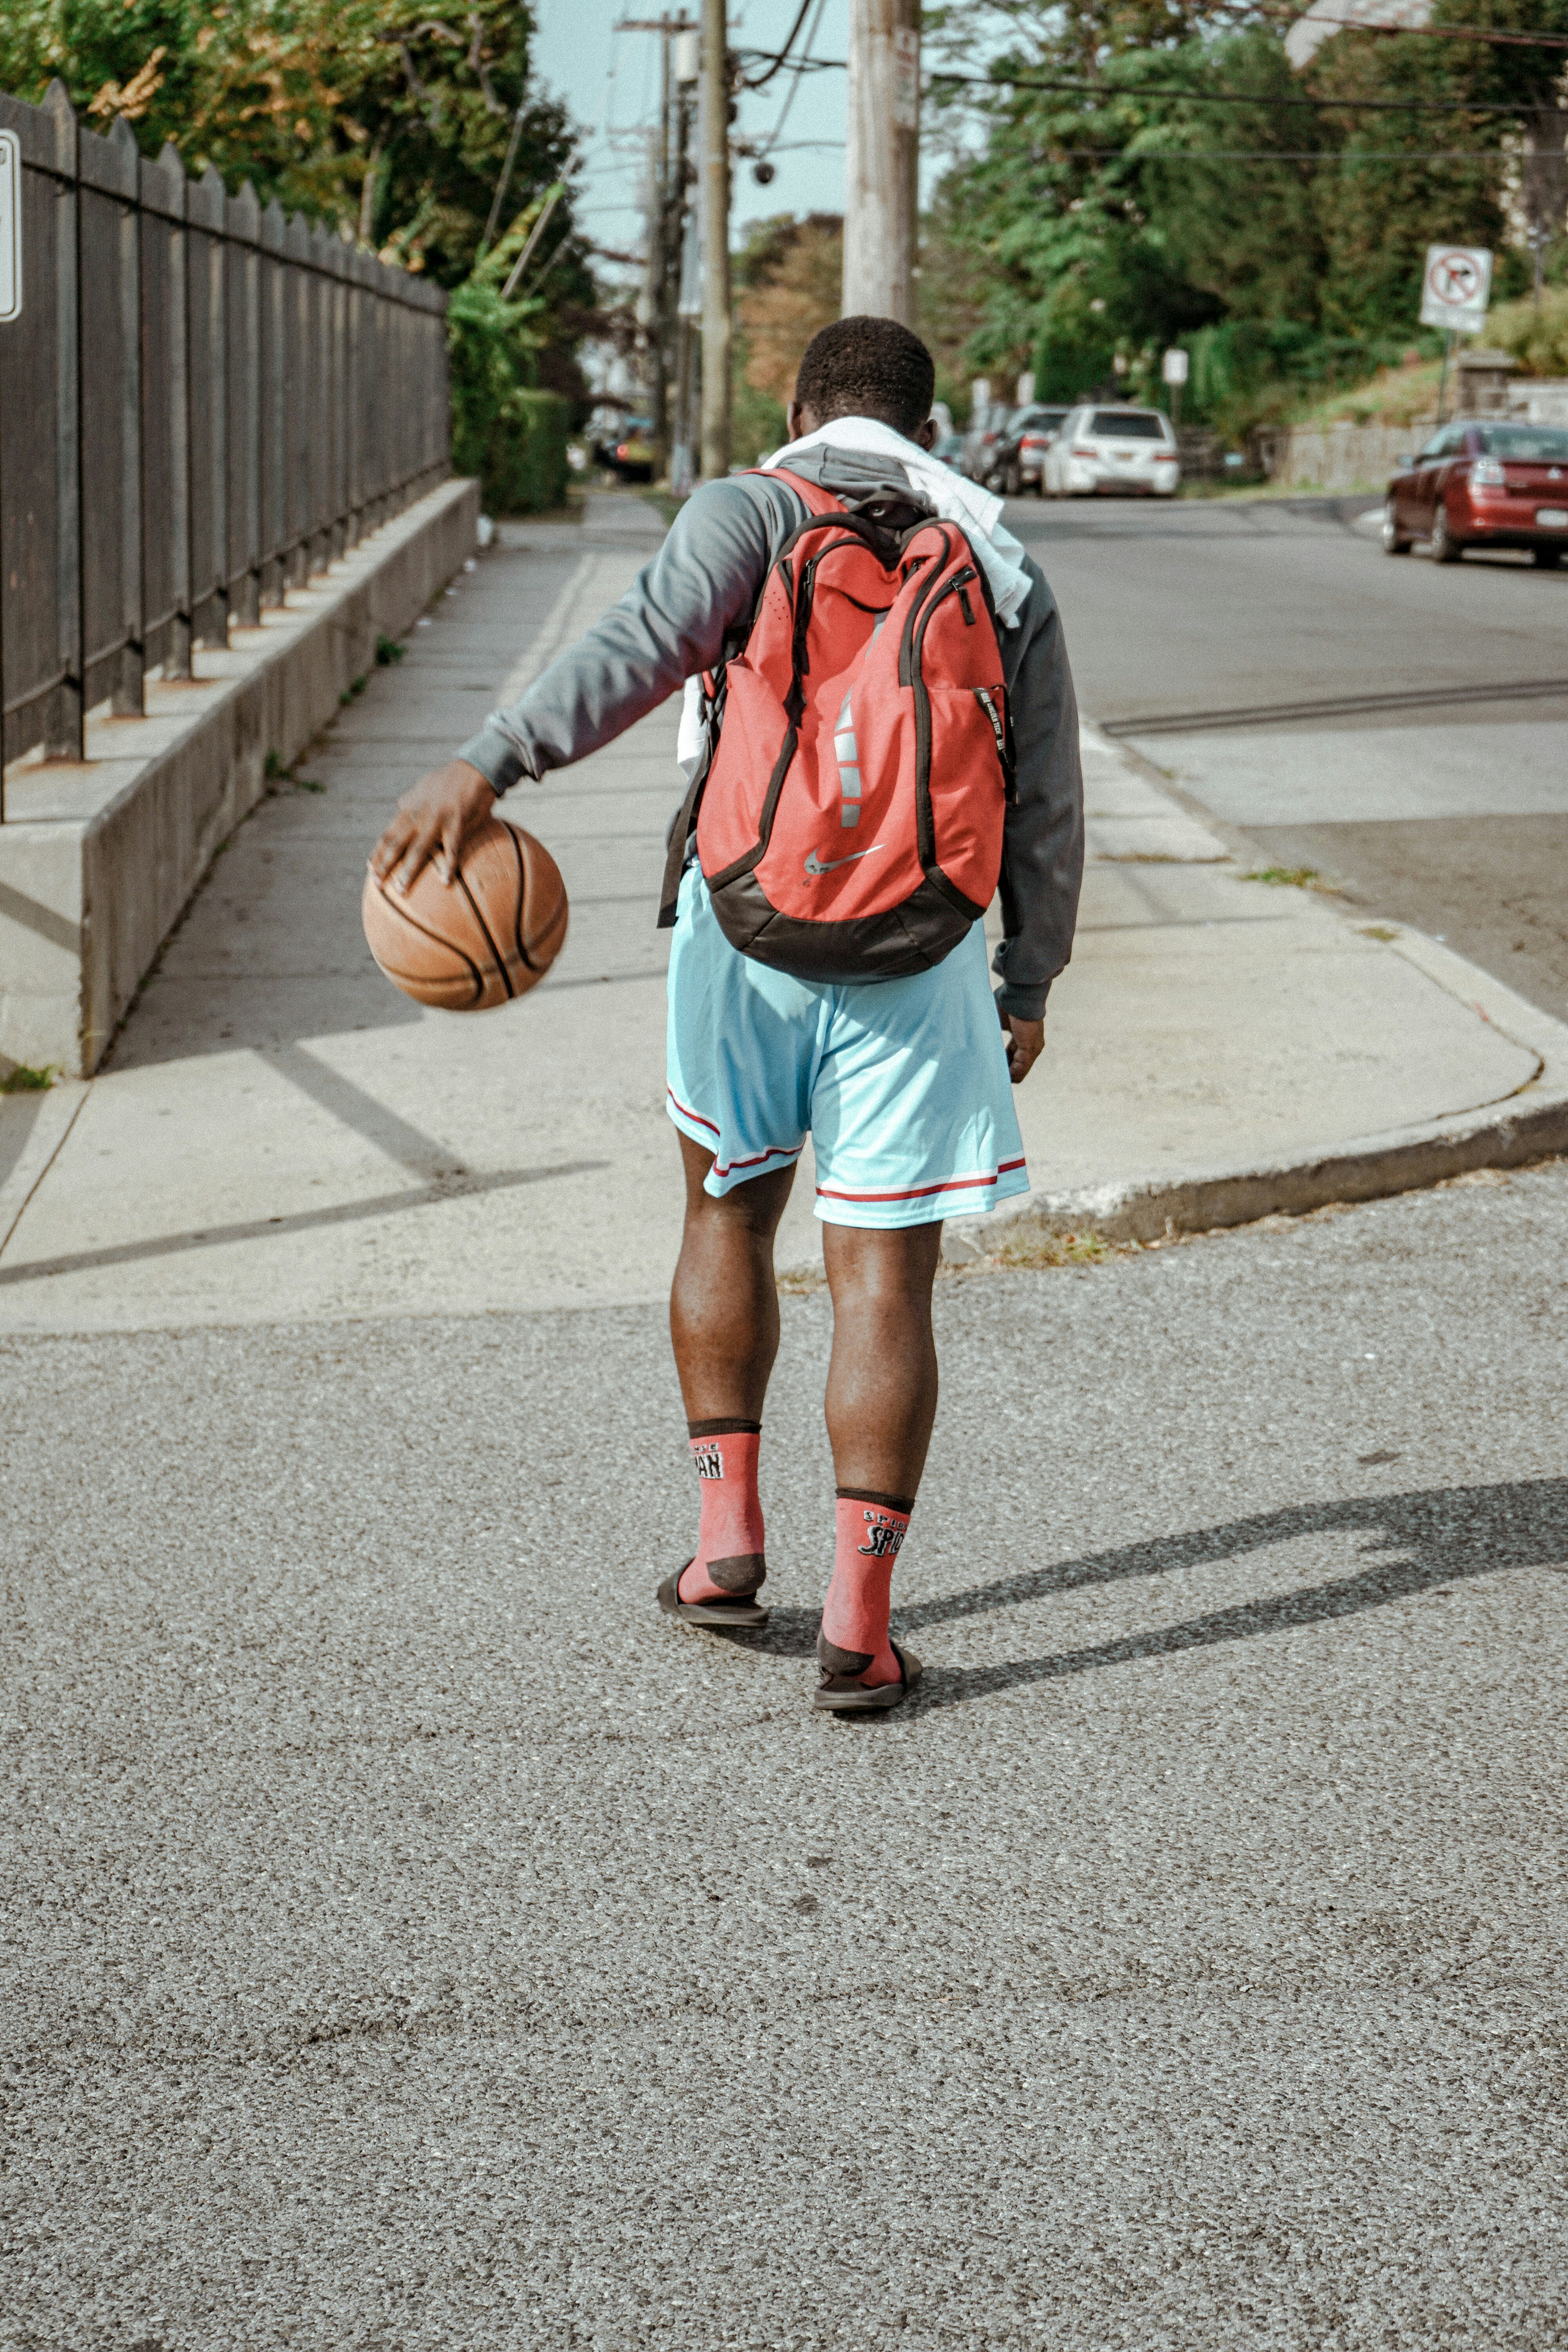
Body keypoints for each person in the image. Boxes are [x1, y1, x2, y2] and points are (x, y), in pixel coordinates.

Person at [371, 316, 1083, 1713]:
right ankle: (862, 1634)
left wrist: (490, 763)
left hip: (742, 928)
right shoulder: (997, 558)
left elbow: (646, 643)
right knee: (884, 1279)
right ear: (922, 427)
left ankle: (724, 1548)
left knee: (726, 1214)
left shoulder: (750, 508)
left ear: (803, 407)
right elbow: (1049, 797)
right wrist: (1029, 979)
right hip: (924, 953)